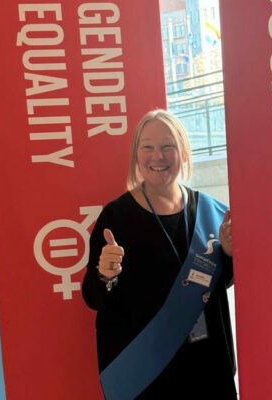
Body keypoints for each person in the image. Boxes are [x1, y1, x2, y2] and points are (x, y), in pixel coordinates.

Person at [82, 110, 237, 399]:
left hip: (207, 369)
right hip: (146, 374)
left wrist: (228, 255)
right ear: (136, 155)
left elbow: (220, 285)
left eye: (168, 146)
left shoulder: (213, 212)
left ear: (183, 151)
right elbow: (93, 298)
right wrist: (105, 274)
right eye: (147, 147)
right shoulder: (116, 218)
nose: (158, 156)